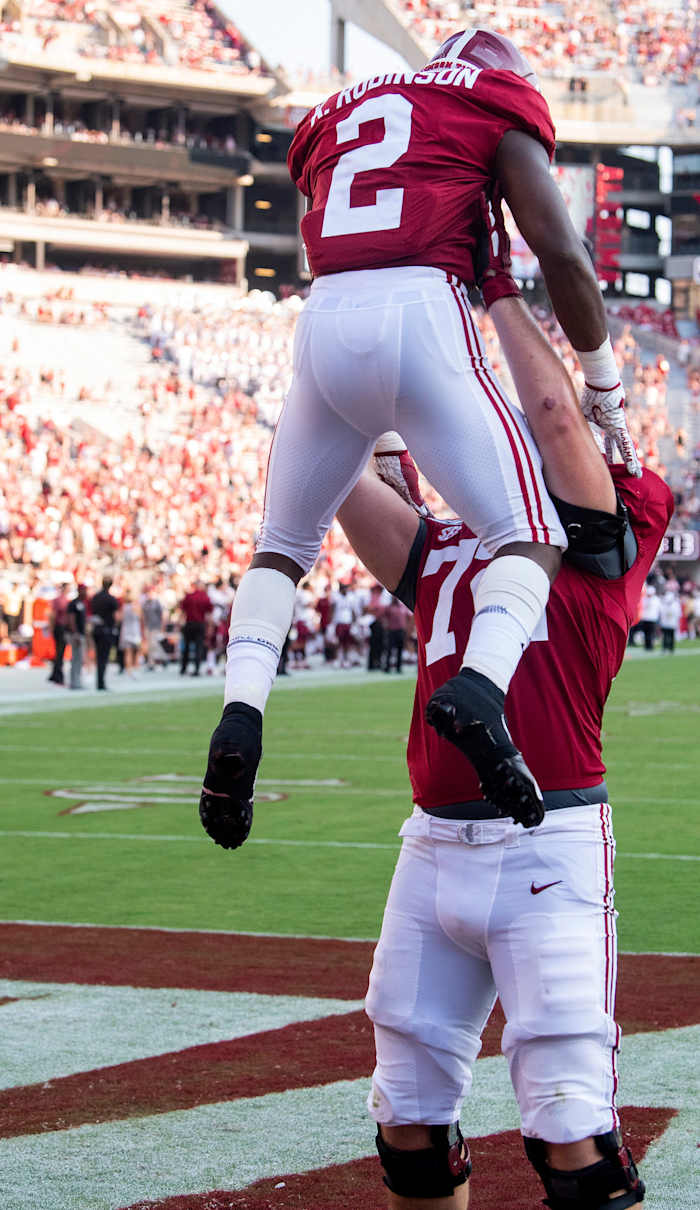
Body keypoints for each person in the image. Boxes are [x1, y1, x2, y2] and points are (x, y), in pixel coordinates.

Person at [200, 28, 639, 849]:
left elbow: (345, 227)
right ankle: (479, 689)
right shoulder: (492, 102)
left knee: (282, 546)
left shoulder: (340, 110)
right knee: (531, 534)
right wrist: (603, 383)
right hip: (425, 307)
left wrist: (387, 438)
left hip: (325, 316)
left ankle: (241, 712)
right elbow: (565, 253)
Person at [333, 302, 671, 1210]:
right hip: (431, 845)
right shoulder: (447, 542)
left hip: (544, 844)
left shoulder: (606, 530)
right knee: (407, 1123)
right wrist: (353, 346)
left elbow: (562, 418)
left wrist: (491, 284)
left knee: (574, 1140)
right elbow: (330, 474)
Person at [90, 576, 120, 692]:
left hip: (97, 629)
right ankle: (101, 682)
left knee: (99, 657)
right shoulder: (111, 599)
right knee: (103, 657)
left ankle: (99, 681)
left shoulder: (96, 597)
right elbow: (116, 616)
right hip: (106, 630)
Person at [180, 580, 212, 677]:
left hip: (189, 623)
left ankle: (183, 668)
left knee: (186, 647)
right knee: (199, 647)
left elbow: (183, 611)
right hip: (200, 624)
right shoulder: (205, 597)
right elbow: (209, 613)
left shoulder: (189, 596)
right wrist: (209, 627)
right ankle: (197, 669)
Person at [66, 583, 88, 690]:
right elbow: (71, 619)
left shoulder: (82, 603)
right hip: (76, 635)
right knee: (76, 658)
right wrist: (75, 634)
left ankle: (77, 681)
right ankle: (74, 682)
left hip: (80, 634)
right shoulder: (74, 604)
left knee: (79, 659)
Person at [47, 586, 70, 686]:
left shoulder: (63, 600)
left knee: (59, 652)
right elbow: (53, 614)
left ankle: (54, 674)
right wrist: (51, 627)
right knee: (60, 652)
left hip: (60, 627)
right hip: (60, 627)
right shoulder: (60, 600)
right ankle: (58, 676)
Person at [118, 590, 143, 677]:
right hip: (134, 631)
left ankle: (129, 670)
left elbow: (119, 618)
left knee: (128, 652)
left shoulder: (123, 608)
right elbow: (140, 617)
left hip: (127, 631)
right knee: (135, 651)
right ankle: (135, 668)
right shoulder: (134, 607)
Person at [658, 585, 681, 653]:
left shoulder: (675, 605)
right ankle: (665, 648)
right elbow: (661, 613)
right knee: (665, 636)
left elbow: (678, 614)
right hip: (665, 623)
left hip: (672, 623)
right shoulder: (664, 604)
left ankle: (671, 648)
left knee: (671, 636)